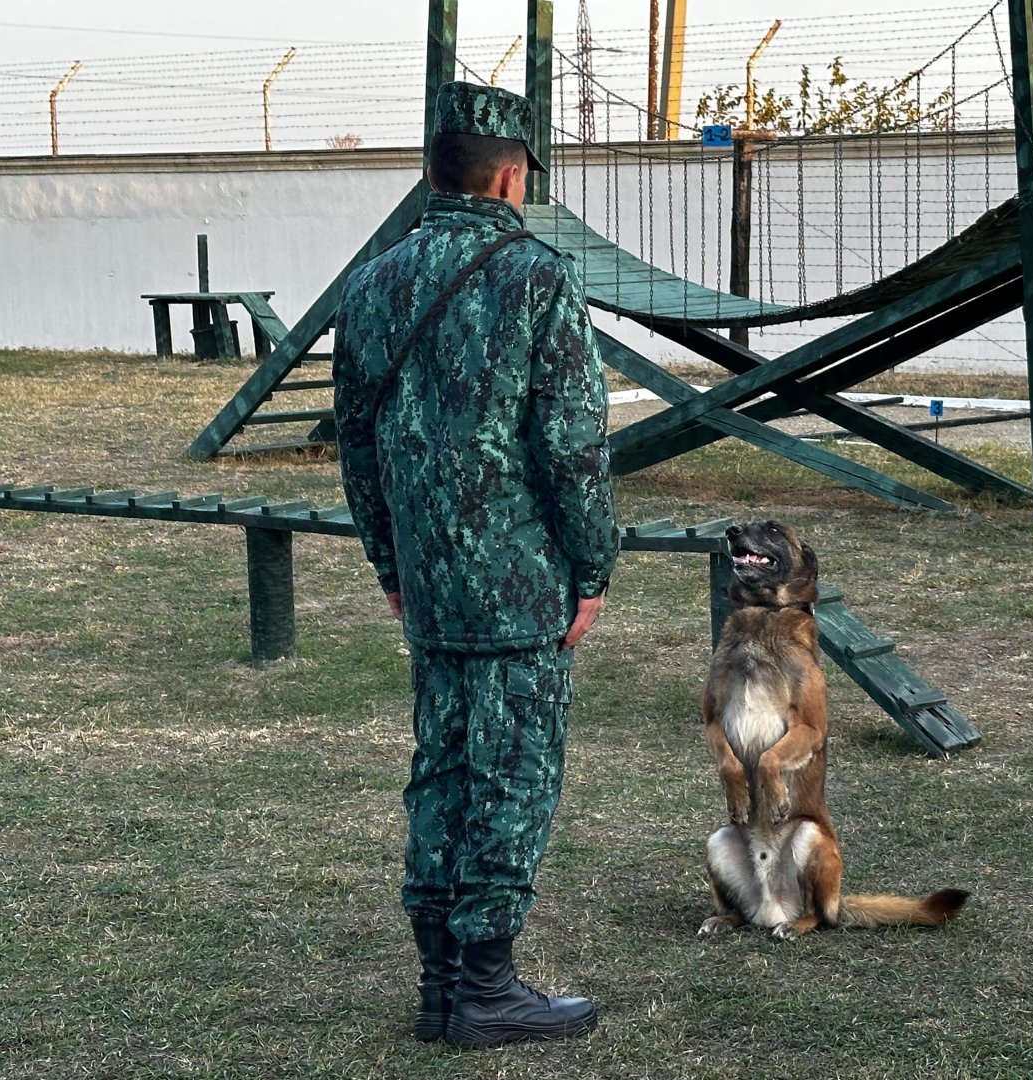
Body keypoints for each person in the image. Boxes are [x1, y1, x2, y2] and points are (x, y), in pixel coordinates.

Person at [332, 81, 619, 1050]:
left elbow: (357, 442)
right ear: (512, 174)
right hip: (519, 580)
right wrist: (593, 568)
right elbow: (573, 445)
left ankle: (440, 984)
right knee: (514, 772)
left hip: (429, 581)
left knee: (443, 767)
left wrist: (390, 563)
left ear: (430, 171)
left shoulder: (372, 283)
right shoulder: (537, 276)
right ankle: (484, 985)